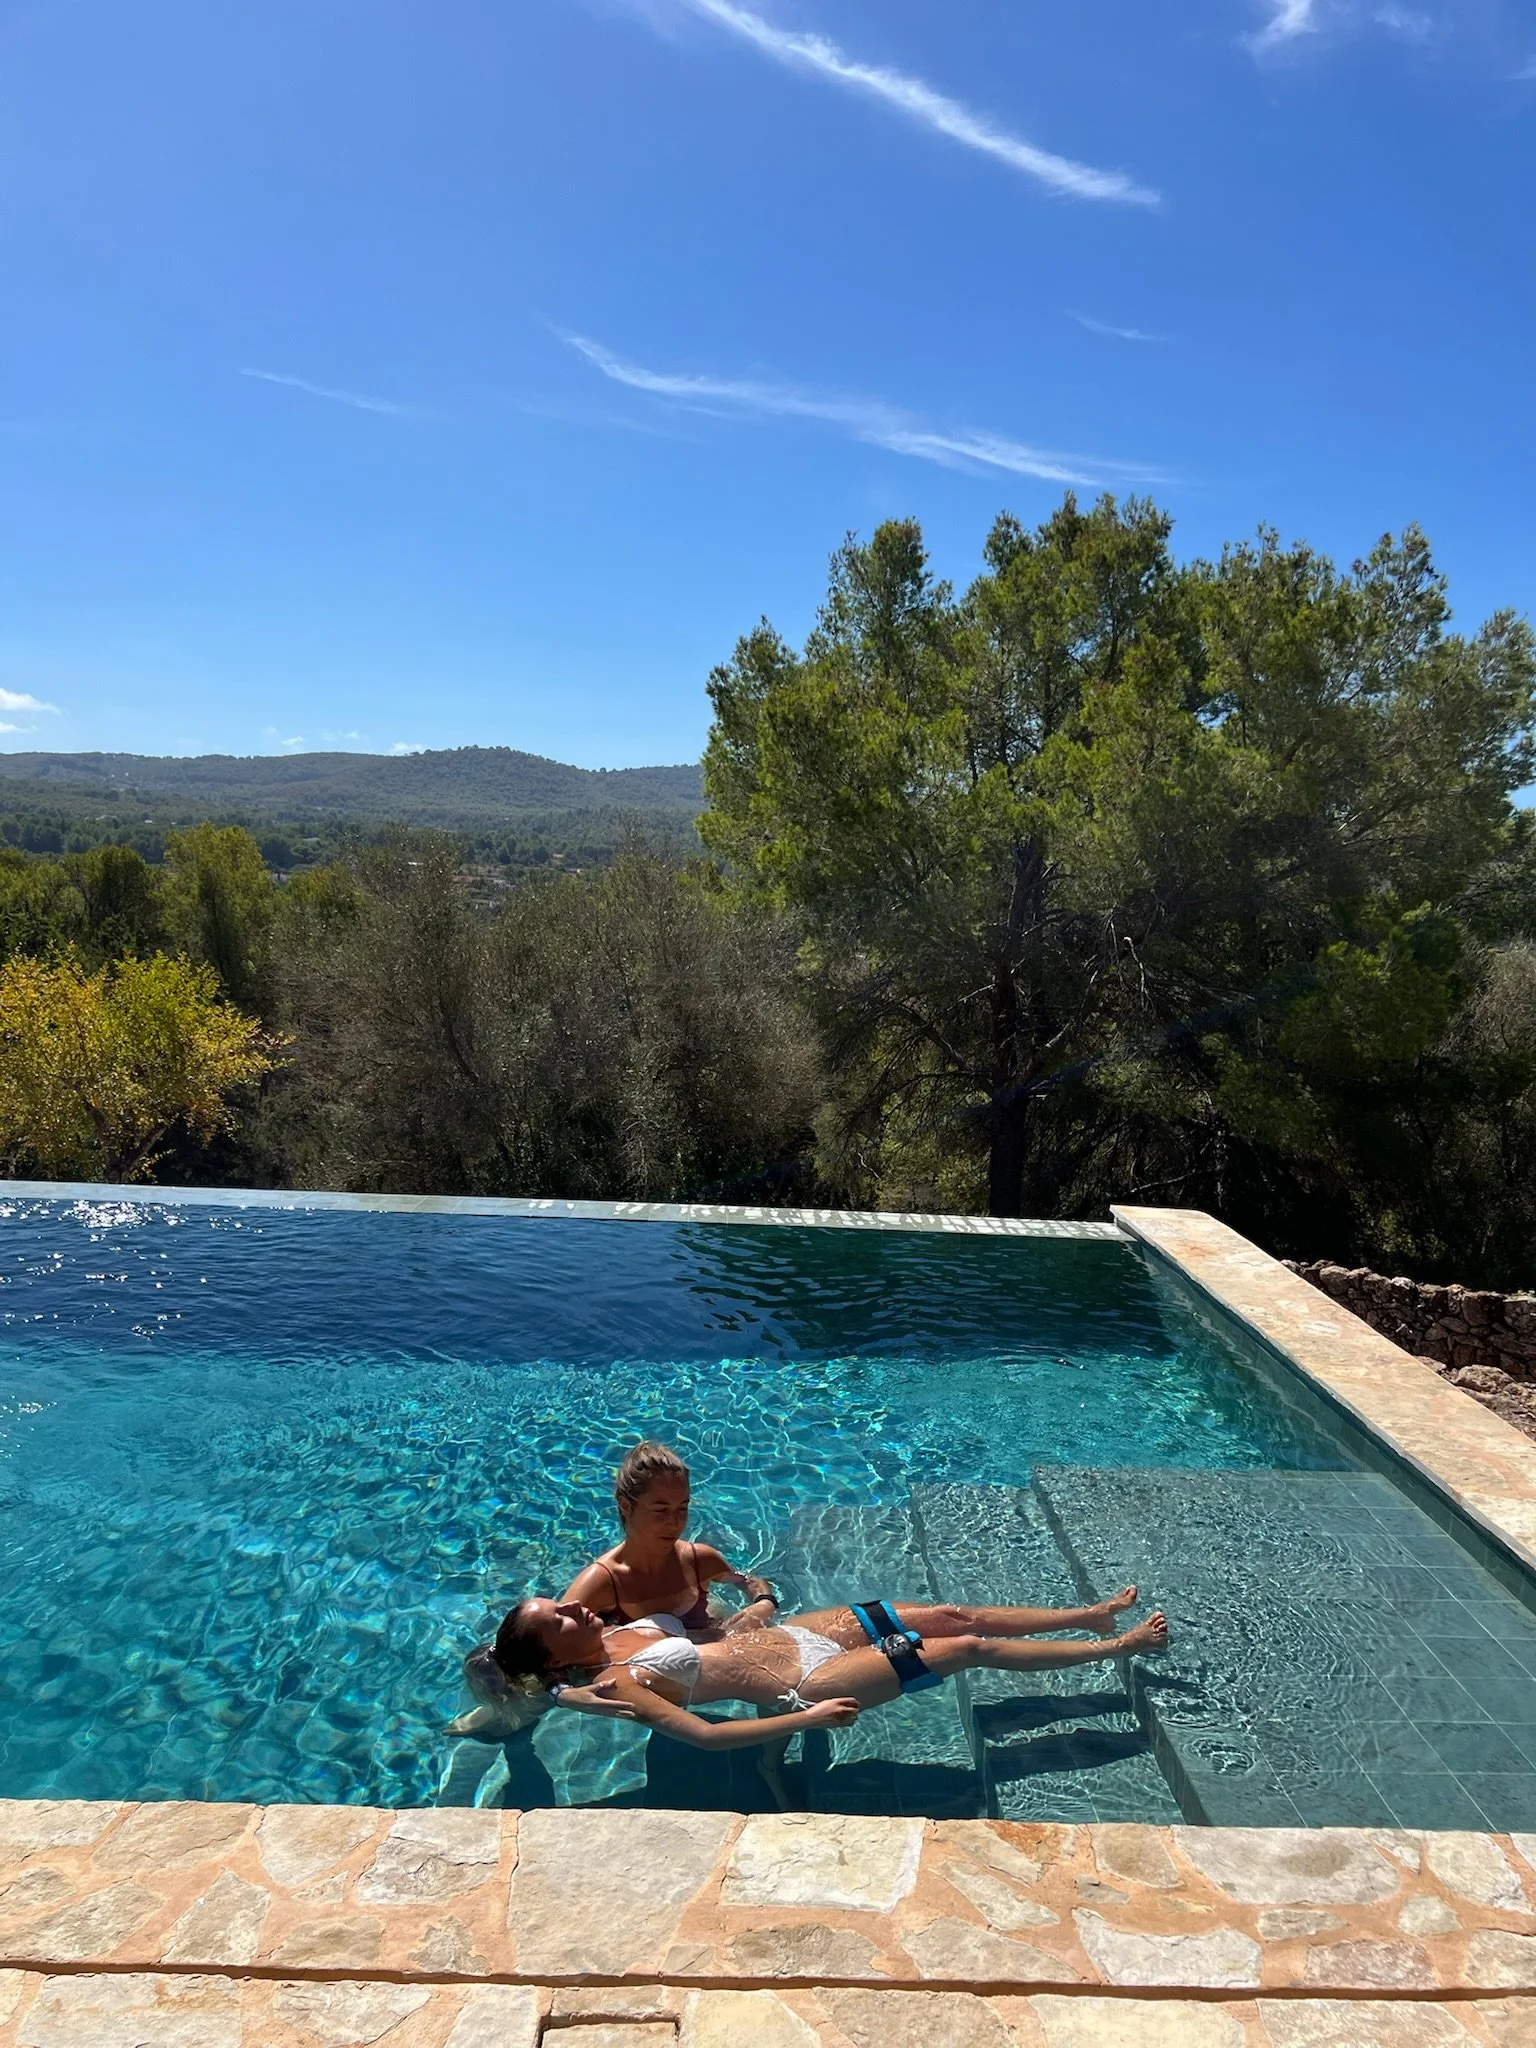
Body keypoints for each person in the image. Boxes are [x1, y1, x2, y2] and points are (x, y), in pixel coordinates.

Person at [485, 1586, 1168, 1757]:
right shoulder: (614, 1684)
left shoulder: (624, 1627)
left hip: (798, 1634)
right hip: (810, 1683)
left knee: (952, 1615)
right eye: (561, 1619)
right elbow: (701, 1734)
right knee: (967, 1651)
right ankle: (1114, 1651)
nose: (575, 1605)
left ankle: (1089, 1616)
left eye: (565, 1603)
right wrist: (804, 1719)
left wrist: (755, 1604)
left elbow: (713, 1636)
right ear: (552, 1655)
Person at [560, 1441, 778, 1636]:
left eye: (682, 1508)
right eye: (661, 1511)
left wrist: (764, 1602)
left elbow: (746, 1581)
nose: (675, 1523)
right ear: (625, 1506)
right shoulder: (602, 1584)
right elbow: (550, 1648)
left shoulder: (699, 1561)